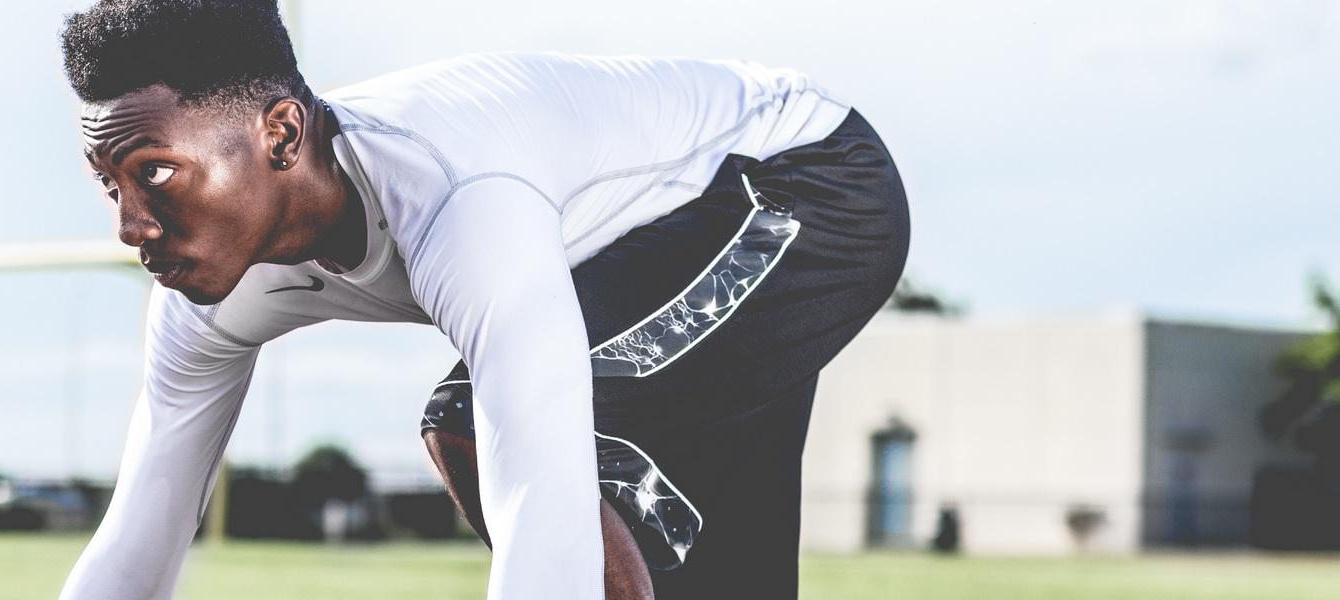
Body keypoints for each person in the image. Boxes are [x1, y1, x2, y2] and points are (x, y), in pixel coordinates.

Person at [54, 1, 910, 598]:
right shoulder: (201, 299)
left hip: (803, 185)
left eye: (156, 174)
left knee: (477, 422)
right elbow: (140, 537)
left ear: (280, 134)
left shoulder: (460, 200)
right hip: (632, 252)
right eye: (109, 187)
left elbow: (542, 510)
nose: (132, 225)